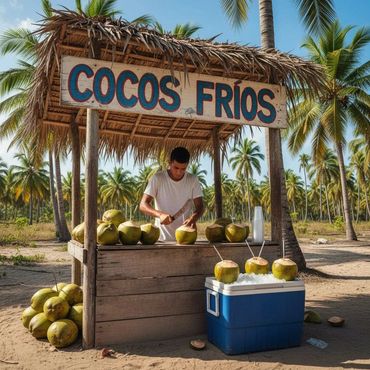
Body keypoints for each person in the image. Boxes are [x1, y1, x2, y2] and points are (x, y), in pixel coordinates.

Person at [139, 147, 204, 241]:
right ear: (170, 163)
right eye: (176, 167)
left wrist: (193, 218)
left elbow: (200, 207)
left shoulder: (192, 180)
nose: (179, 172)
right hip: (161, 239)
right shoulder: (158, 178)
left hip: (185, 238)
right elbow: (143, 205)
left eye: (183, 169)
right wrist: (160, 214)